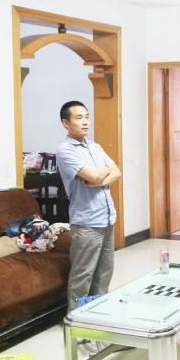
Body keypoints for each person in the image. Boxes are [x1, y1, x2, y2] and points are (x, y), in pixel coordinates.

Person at [56, 101, 121, 312]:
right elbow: (94, 174)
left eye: (87, 117)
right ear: (66, 123)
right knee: (83, 275)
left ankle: (96, 315)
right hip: (86, 222)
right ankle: (76, 321)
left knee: (104, 272)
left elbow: (116, 171)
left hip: (107, 218)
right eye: (79, 118)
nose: (85, 122)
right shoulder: (65, 151)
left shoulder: (94, 147)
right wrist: (101, 173)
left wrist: (99, 179)